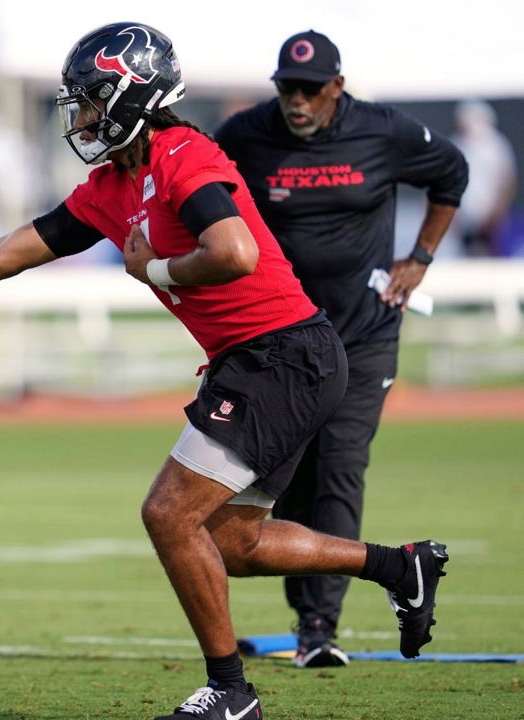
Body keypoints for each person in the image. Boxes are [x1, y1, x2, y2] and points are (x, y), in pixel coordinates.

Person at [0, 23, 448, 720]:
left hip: (282, 355)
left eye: (90, 101)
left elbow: (235, 251)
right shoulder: (110, 186)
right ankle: (401, 567)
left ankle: (230, 692)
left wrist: (152, 268)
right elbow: (5, 252)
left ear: (132, 97)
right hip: (263, 359)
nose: (81, 116)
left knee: (168, 513)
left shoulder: (185, 156)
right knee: (232, 542)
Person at [214, 30, 468, 668]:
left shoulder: (385, 131)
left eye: (309, 89)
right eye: (286, 88)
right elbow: (207, 194)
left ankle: (319, 628)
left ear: (337, 88)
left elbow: (452, 174)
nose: (296, 101)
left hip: (364, 332)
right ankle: (311, 617)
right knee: (288, 475)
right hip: (283, 340)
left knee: (340, 466)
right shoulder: (246, 135)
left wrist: (421, 258)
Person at [450, 99, 516, 257]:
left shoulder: (496, 145)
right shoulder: (456, 144)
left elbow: (506, 181)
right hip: (465, 219)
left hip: (491, 220)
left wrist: (497, 213)